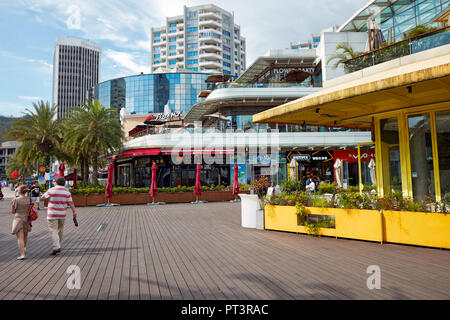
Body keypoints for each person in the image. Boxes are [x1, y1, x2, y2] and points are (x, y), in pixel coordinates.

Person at [41, 176, 77, 256]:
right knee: (60, 230)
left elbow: (43, 197)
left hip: (52, 214)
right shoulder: (67, 191)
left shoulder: (51, 190)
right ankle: (58, 245)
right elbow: (71, 203)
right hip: (62, 214)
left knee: (53, 230)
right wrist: (74, 212)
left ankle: (56, 247)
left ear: (56, 182)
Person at [11, 185, 33, 260]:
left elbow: (13, 212)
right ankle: (24, 248)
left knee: (20, 237)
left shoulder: (15, 200)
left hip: (18, 219)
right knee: (25, 235)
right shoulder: (30, 199)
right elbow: (33, 209)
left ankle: (22, 254)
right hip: (27, 219)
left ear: (19, 191)